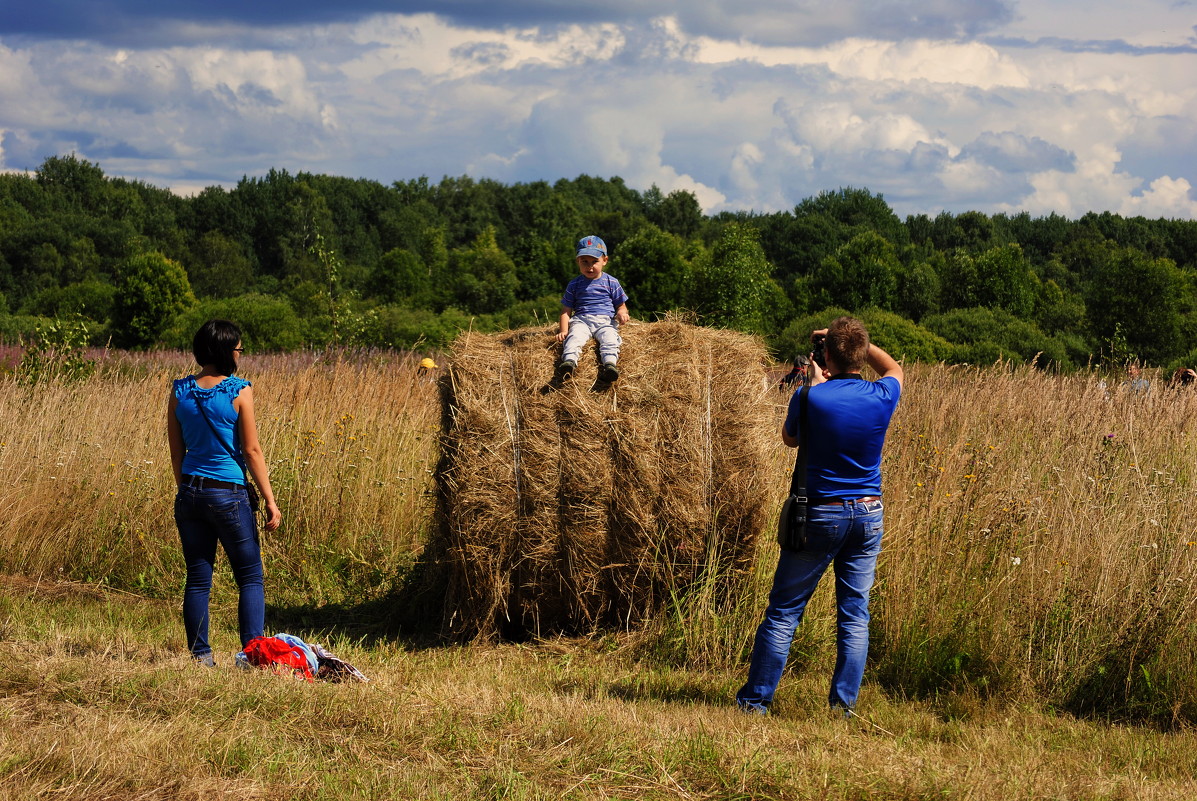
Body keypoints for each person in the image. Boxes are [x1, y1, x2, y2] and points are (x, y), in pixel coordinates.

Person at [736, 316, 903, 717]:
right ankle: (841, 708)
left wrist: (814, 385)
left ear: (824, 355)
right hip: (868, 514)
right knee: (854, 615)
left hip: (820, 515)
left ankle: (756, 702)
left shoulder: (810, 398)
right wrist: (853, 345)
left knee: (784, 611)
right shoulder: (882, 394)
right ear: (861, 357)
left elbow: (790, 439)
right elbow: (894, 368)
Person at [167, 319, 282, 667]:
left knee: (198, 577)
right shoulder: (238, 390)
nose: (240, 354)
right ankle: (251, 654)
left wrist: (186, 488)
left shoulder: (179, 391)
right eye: (238, 348)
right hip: (228, 494)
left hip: (190, 492)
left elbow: (176, 450)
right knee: (249, 575)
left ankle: (201, 656)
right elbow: (252, 451)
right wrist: (270, 501)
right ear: (225, 351)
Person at [555, 235, 630, 383]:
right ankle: (569, 363)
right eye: (585, 262)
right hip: (581, 321)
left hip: (606, 321)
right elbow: (566, 311)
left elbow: (621, 305)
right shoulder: (574, 284)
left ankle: (610, 365)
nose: (590, 266)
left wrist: (622, 313)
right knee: (574, 337)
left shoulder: (612, 282)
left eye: (595, 261)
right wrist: (564, 330)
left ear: (605, 261)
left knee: (610, 340)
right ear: (578, 261)